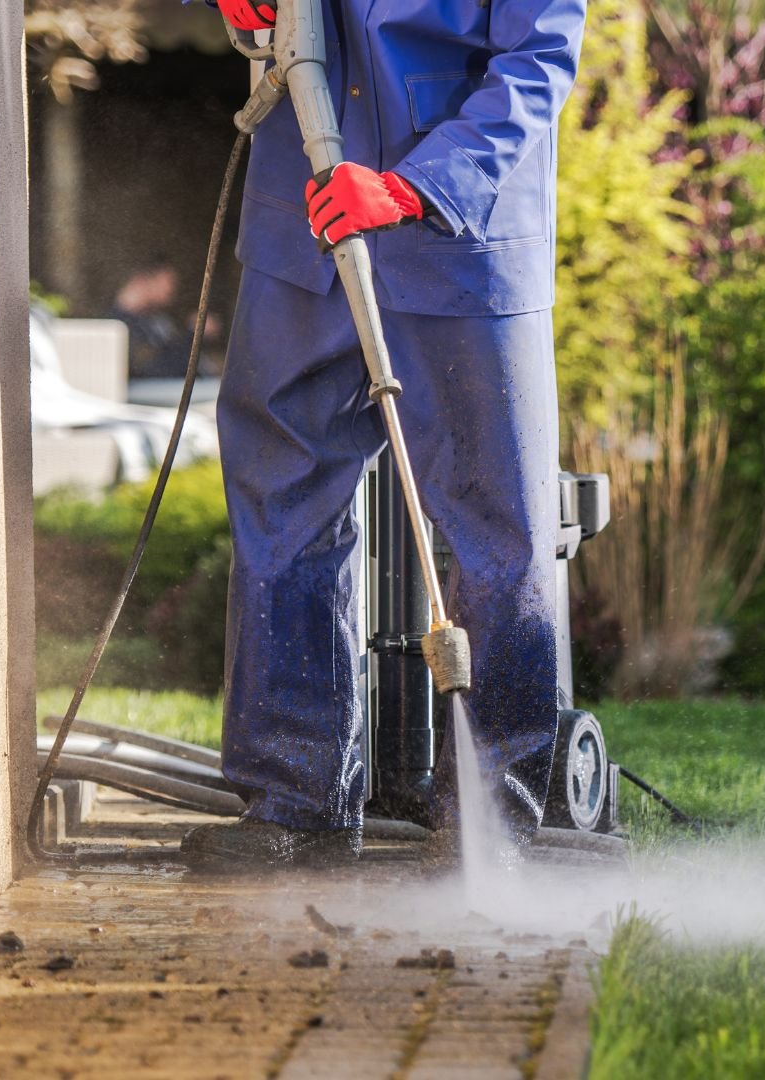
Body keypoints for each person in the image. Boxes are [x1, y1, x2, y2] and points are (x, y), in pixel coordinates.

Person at [179, 0, 586, 866]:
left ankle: (491, 816)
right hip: (307, 223)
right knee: (282, 500)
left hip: (453, 239)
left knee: (494, 525)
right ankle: (297, 805)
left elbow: (539, 59)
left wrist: (413, 188)